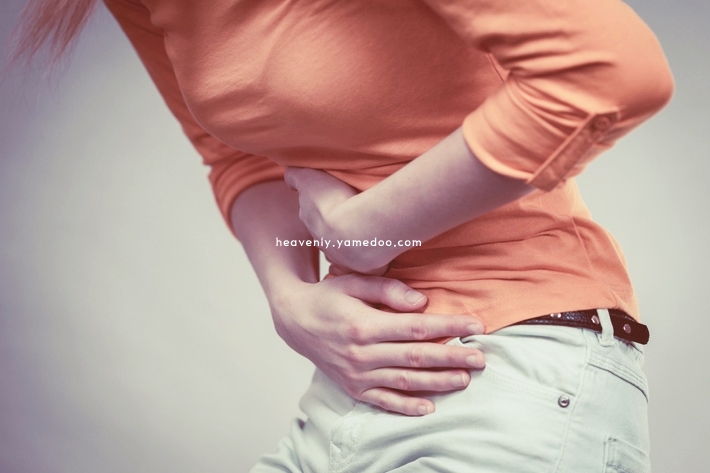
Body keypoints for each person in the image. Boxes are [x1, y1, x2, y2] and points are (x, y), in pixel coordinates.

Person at [13, 0, 673, 471]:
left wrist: (368, 232)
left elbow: (610, 71)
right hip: (346, 394)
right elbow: (235, 155)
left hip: (514, 362)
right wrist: (290, 300)